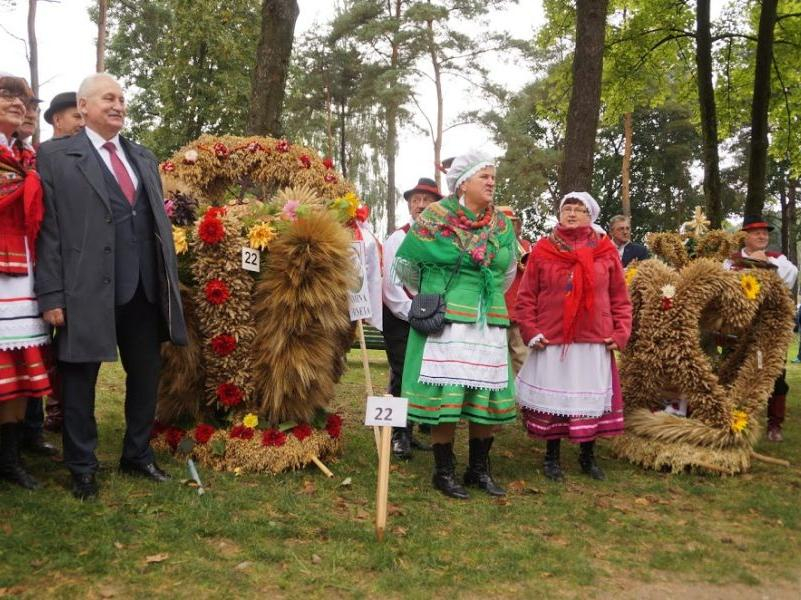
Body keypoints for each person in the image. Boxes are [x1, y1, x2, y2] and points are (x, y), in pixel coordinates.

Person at [35, 73, 187, 499]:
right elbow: (47, 233)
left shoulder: (142, 155)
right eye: (108, 98)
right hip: (84, 290)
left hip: (143, 288)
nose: (118, 105)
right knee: (80, 378)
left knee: (146, 375)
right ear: (83, 106)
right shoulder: (55, 157)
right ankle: (81, 465)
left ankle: (137, 454)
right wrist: (51, 295)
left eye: (121, 98)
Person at [394, 150, 518, 499]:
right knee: (446, 396)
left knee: (485, 395)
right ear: (464, 182)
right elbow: (408, 267)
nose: (492, 181)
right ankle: (443, 472)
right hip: (449, 321)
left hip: (488, 320)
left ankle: (478, 469)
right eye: (485, 176)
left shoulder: (502, 224)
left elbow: (507, 271)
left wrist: (484, 298)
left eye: (494, 176)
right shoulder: (435, 218)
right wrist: (436, 295)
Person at [516, 192, 632, 482]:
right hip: (553, 336)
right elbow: (526, 295)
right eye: (566, 208)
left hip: (594, 338)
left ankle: (587, 456)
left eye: (579, 210)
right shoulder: (543, 249)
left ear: (590, 216)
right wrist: (530, 330)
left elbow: (620, 297)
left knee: (588, 399)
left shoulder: (606, 252)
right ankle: (551, 457)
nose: (571, 213)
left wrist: (620, 333)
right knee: (556, 399)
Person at [0, 75, 53, 489]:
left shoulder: (24, 154)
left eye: (24, 98)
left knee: (18, 368)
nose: (19, 103)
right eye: (8, 95)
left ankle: (10, 458)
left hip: (21, 269)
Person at [382, 177, 442, 460]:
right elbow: (392, 288)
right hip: (402, 317)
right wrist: (415, 314)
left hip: (432, 318)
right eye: (415, 200)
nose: (420, 205)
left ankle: (413, 429)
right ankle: (398, 435)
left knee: (425, 375)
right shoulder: (398, 238)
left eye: (426, 201)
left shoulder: (443, 239)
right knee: (402, 374)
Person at [723, 215, 798, 442]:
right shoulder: (730, 261)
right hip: (739, 326)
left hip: (769, 326)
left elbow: (791, 273)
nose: (762, 236)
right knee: (733, 371)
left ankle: (775, 424)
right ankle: (734, 420)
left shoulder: (778, 258)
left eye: (765, 233)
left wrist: (763, 262)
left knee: (776, 375)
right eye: (757, 233)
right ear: (744, 236)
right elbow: (724, 284)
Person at [497, 205, 531, 374]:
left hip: (519, 313)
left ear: (518, 226)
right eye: (504, 224)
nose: (508, 228)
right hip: (498, 313)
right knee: (499, 362)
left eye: (512, 223)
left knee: (523, 360)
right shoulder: (491, 246)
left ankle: (524, 399)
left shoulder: (526, 246)